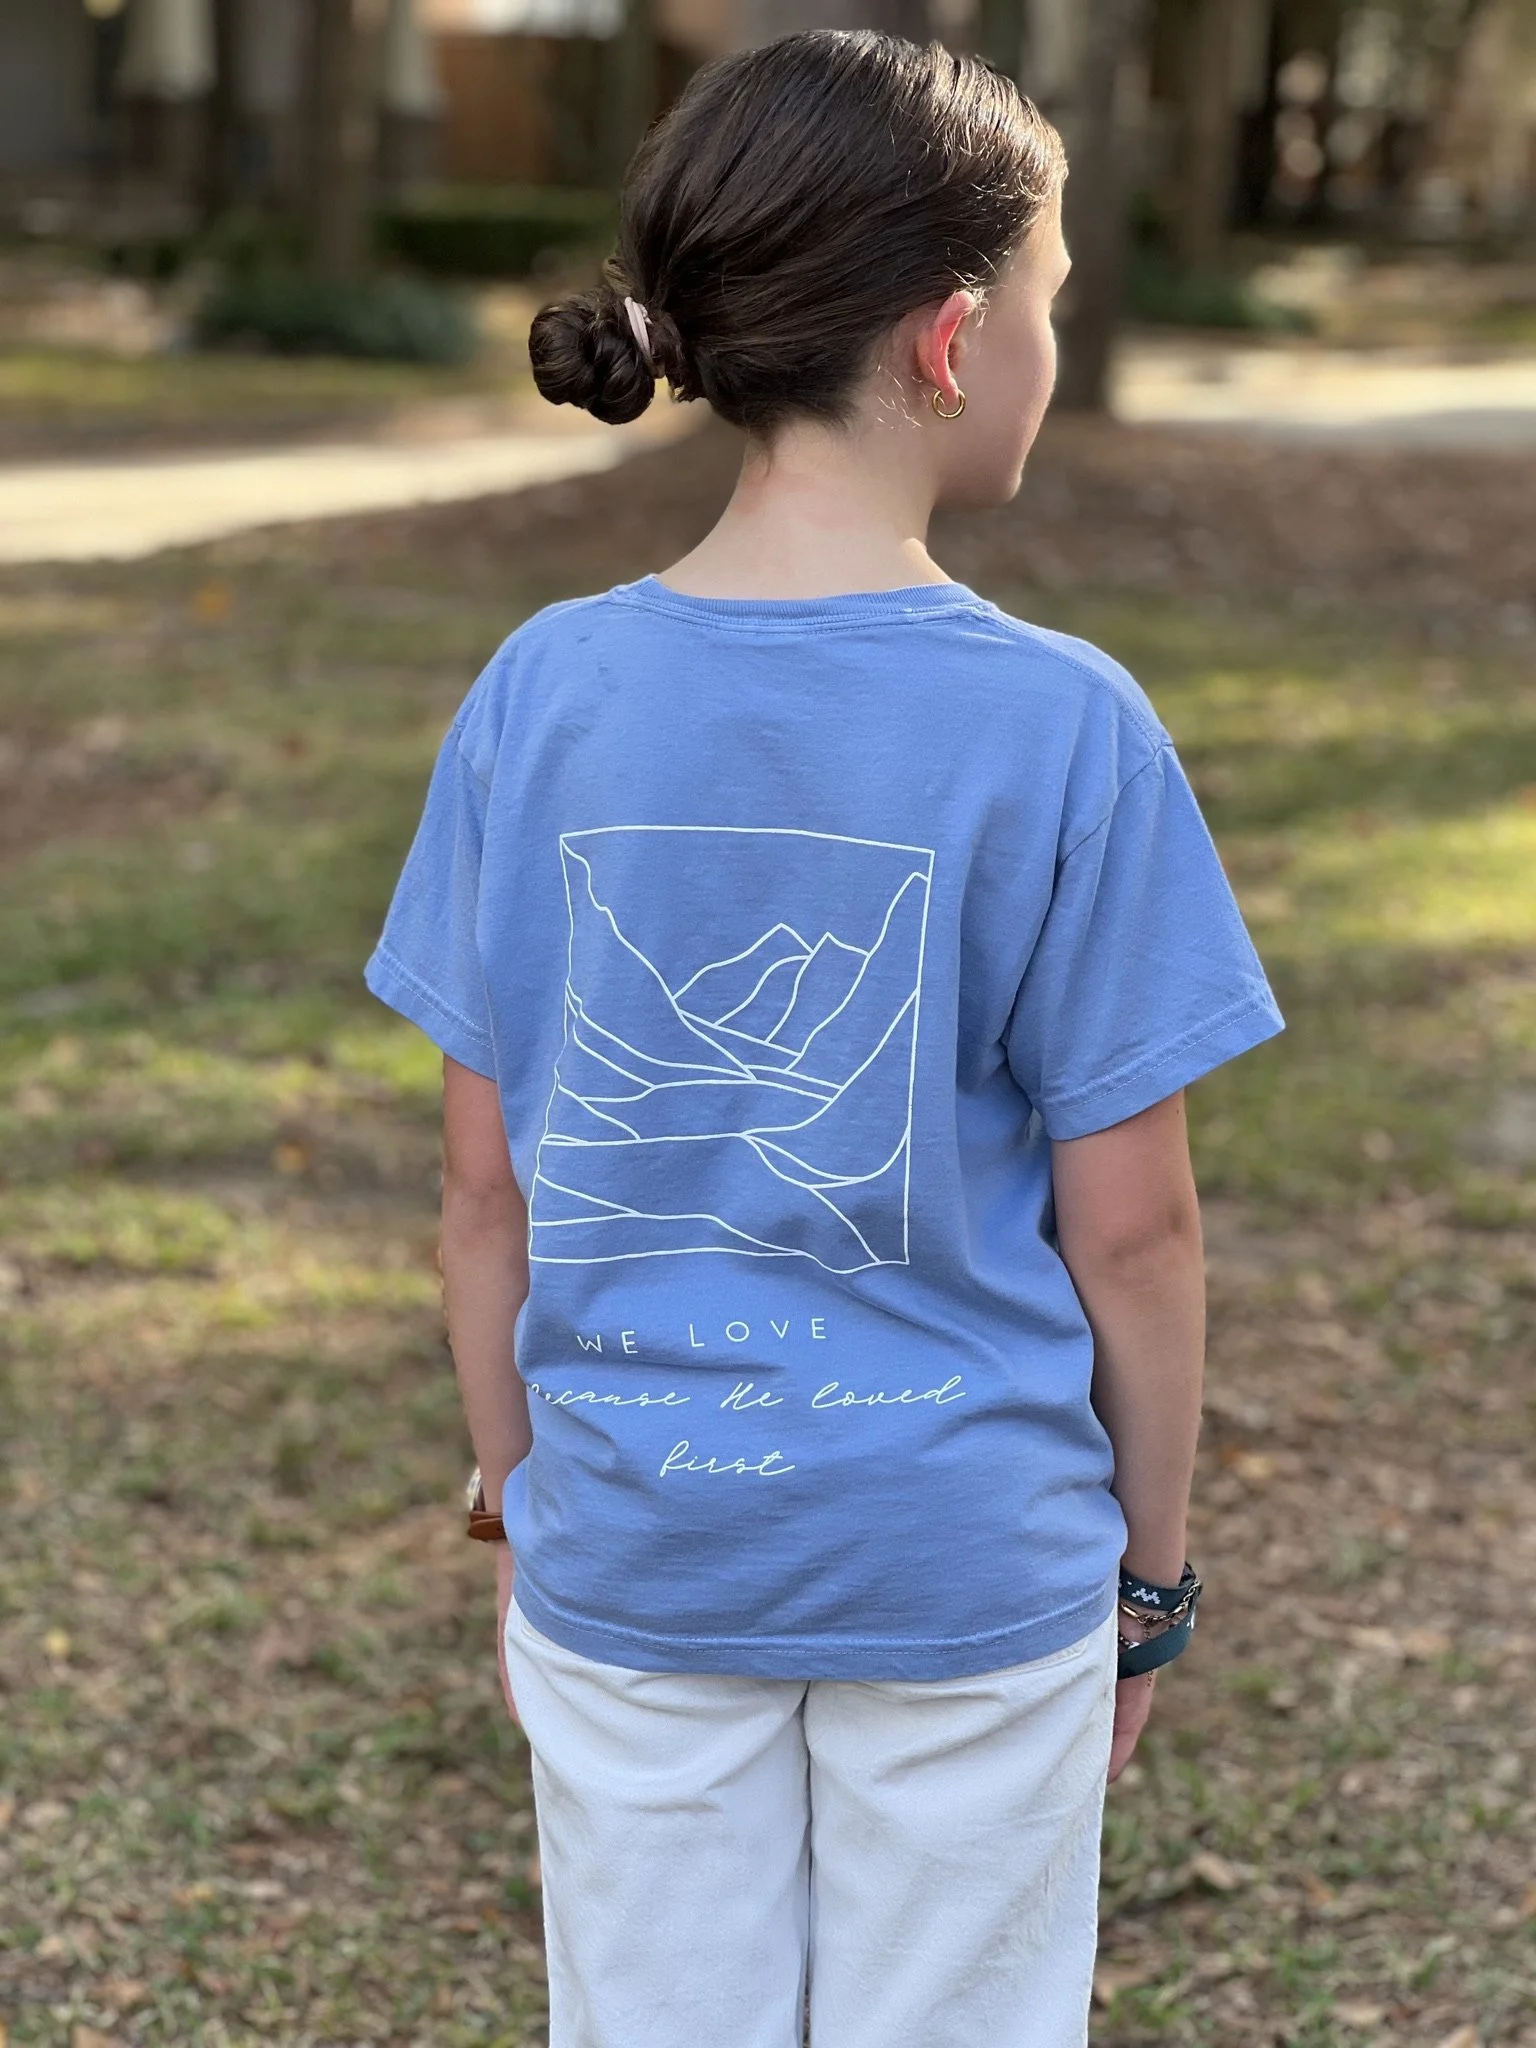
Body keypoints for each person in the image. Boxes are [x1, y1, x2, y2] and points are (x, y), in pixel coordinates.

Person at [364, 29, 1283, 2048]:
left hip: (635, 1553)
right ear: (955, 340)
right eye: (1048, 299)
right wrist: (1146, 1584)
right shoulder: (1068, 726)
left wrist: (518, 1502)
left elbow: (484, 1194)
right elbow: (1136, 1234)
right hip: (972, 1576)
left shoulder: (537, 696)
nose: (1050, 343)